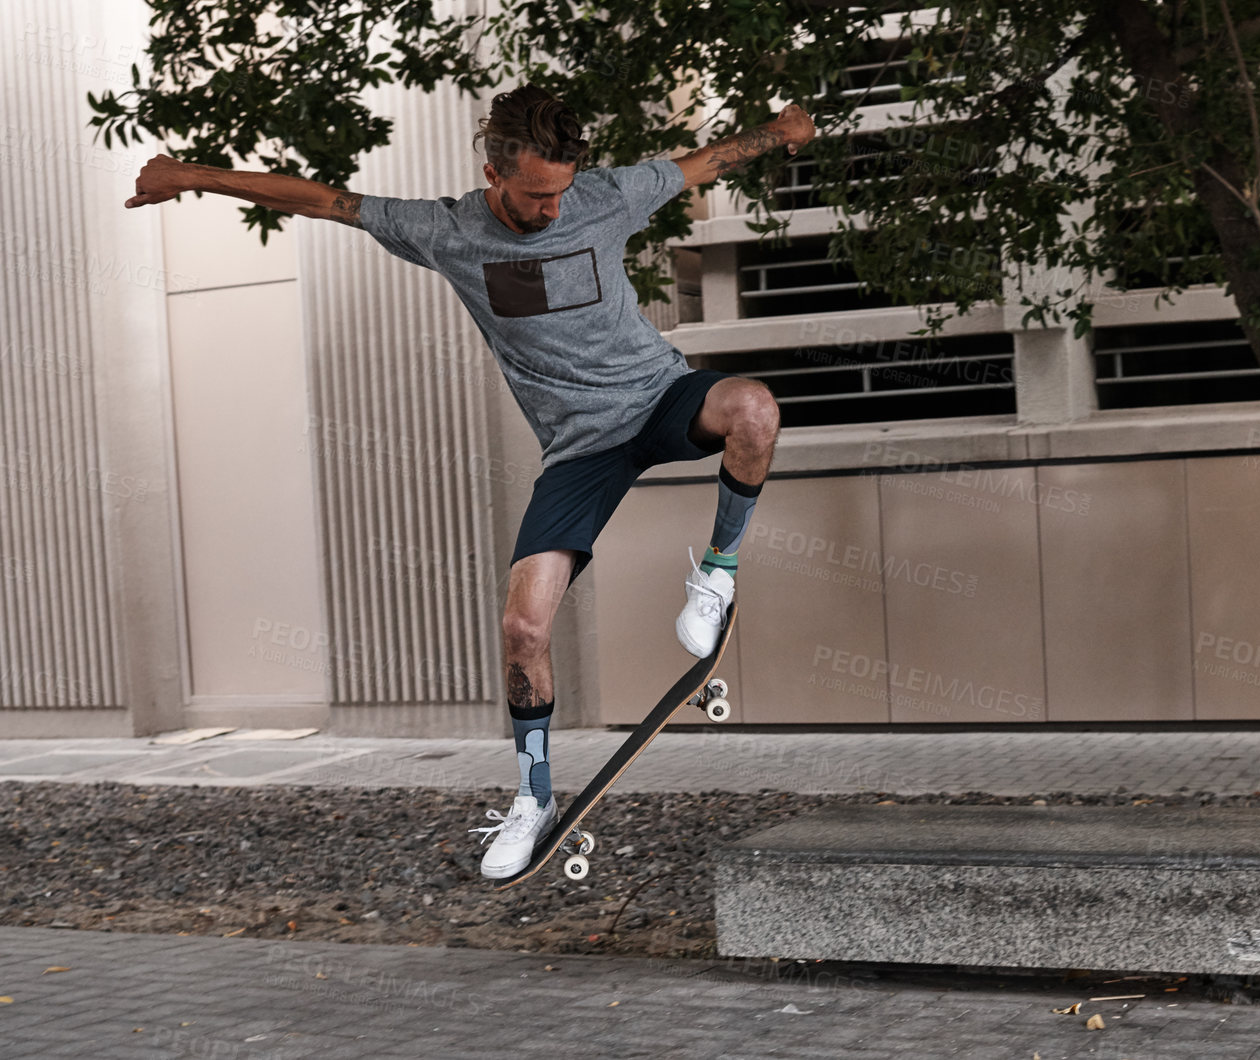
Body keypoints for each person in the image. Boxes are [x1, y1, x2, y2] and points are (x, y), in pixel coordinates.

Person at [127, 84, 816, 878]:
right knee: (523, 630)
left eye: (560, 194)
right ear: (493, 174)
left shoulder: (603, 196)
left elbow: (704, 162)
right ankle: (533, 797)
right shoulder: (444, 230)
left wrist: (782, 131)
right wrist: (191, 174)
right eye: (533, 197)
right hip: (578, 451)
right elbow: (324, 200)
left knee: (754, 411)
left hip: (660, 399)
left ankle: (718, 576)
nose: (553, 211)